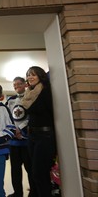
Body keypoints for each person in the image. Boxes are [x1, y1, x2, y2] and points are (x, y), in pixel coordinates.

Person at [21, 66, 57, 197]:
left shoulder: (46, 91)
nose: (30, 77)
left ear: (40, 76)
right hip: (32, 135)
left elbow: (52, 112)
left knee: (39, 173)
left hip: (45, 136)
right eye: (28, 75)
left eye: (33, 75)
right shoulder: (28, 94)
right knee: (32, 171)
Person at [6, 77, 33, 197]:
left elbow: (31, 116)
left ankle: (34, 191)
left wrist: (21, 128)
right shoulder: (10, 100)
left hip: (26, 139)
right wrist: (13, 129)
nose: (16, 86)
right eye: (14, 85)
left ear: (25, 85)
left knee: (30, 168)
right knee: (15, 170)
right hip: (13, 142)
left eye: (19, 84)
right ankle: (17, 192)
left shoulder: (31, 97)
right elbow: (7, 116)